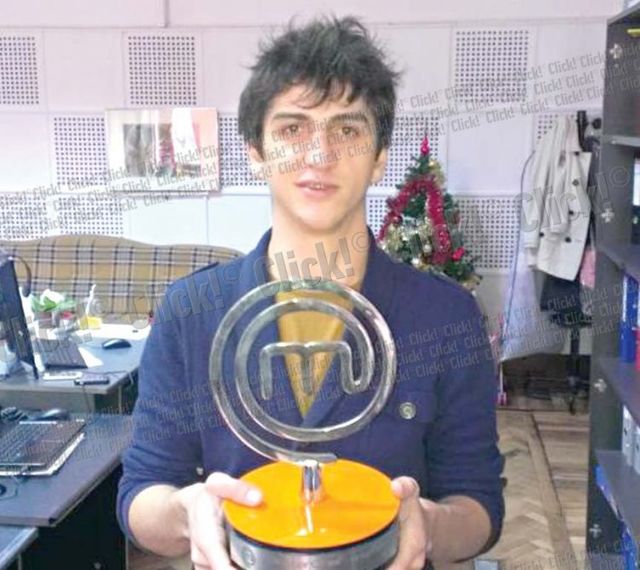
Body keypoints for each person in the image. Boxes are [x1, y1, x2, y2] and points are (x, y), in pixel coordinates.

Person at [117, 15, 504, 570]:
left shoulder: (445, 314)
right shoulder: (191, 313)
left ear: (380, 157)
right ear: (256, 152)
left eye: (347, 131)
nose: (319, 154)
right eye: (292, 129)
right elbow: (142, 494)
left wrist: (431, 525)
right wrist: (187, 511)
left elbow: (479, 504)